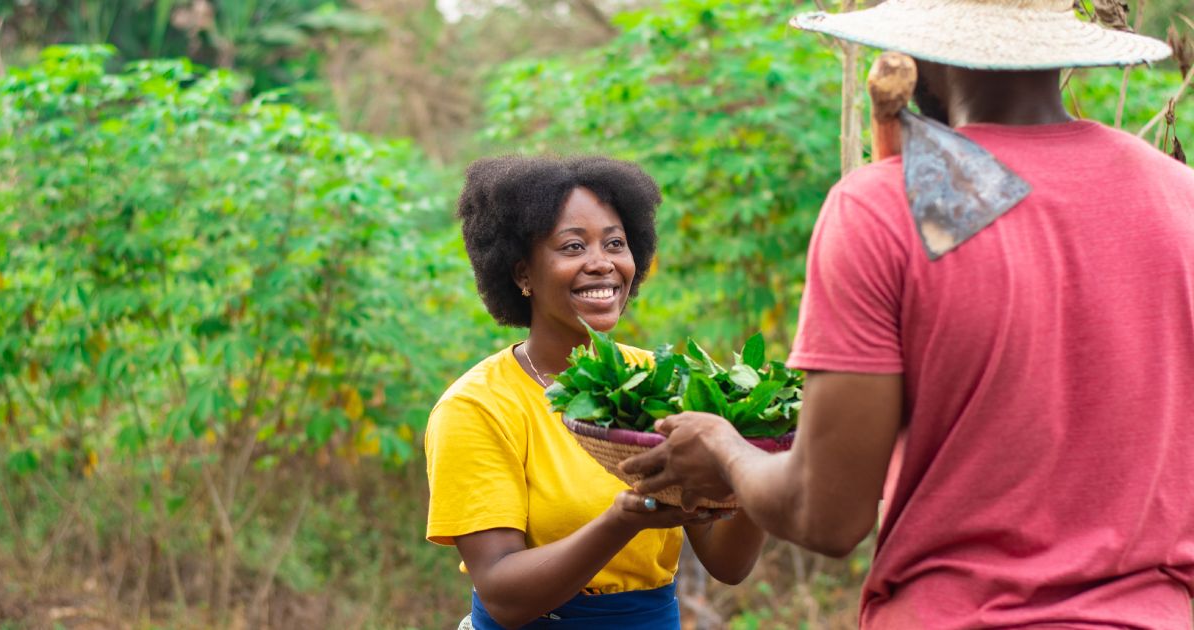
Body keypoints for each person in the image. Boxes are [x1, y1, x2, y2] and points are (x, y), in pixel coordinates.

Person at [621, 1, 1194, 627]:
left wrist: (723, 449)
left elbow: (827, 514)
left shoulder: (880, 206)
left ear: (920, 51)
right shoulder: (1179, 197)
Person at [425, 155, 766, 629]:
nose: (602, 263)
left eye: (615, 243)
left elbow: (728, 565)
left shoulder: (662, 382)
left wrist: (759, 459)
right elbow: (503, 594)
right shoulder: (478, 406)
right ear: (522, 274)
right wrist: (624, 519)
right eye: (572, 246)